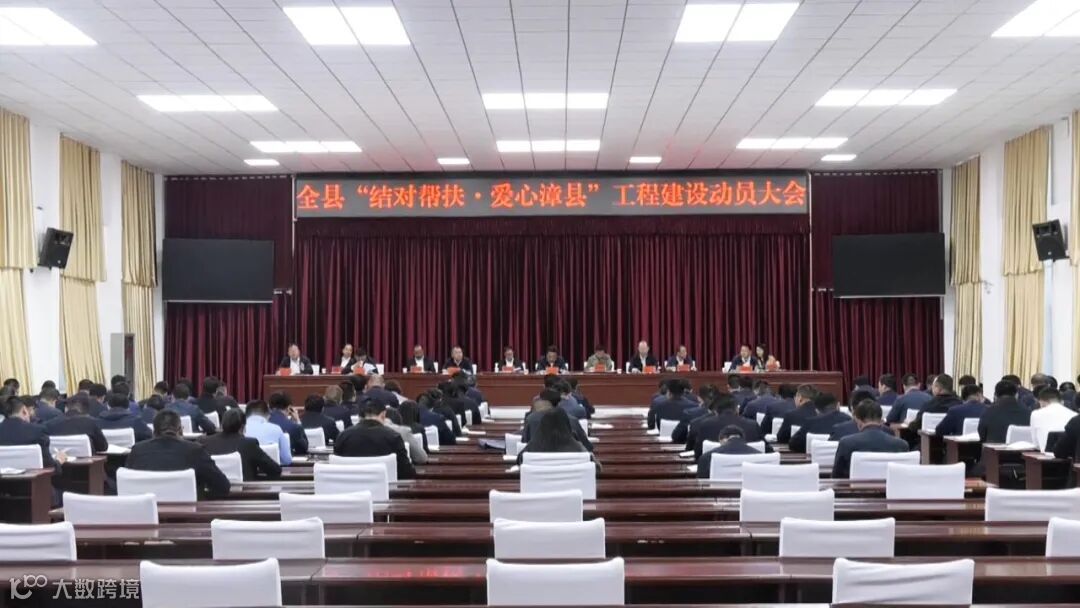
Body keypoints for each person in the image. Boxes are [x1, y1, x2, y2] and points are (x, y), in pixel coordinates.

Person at [125, 410, 230, 499]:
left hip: (146, 513)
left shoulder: (137, 451)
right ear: (180, 431)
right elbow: (223, 486)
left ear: (154, 432)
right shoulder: (195, 451)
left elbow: (126, 486)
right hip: (187, 514)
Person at [334, 402, 415, 479]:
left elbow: (336, 469)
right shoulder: (394, 437)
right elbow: (406, 472)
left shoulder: (343, 436)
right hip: (387, 488)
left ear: (360, 416)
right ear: (383, 415)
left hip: (350, 487)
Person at [832, 400, 910, 479]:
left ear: (858, 421)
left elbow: (836, 476)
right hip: (890, 486)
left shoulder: (846, 443)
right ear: (881, 421)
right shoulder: (901, 445)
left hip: (856, 486)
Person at [200, 408, 282, 481]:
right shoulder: (249, 444)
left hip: (212, 491)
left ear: (222, 424)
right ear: (243, 427)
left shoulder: (204, 441)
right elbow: (274, 470)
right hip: (245, 491)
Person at [691, 393, 762, 459]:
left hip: (715, 467)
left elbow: (698, 454)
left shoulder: (705, 425)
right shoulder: (753, 425)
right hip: (749, 466)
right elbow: (764, 450)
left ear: (715, 411)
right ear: (737, 409)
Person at [0, 396, 64, 467]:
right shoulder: (37, 431)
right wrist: (58, 461)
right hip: (35, 473)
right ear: (24, 410)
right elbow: (49, 466)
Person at [520, 391, 593, 451]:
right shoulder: (572, 420)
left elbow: (524, 442)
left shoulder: (531, 419)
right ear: (559, 402)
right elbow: (588, 447)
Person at [517, 408, 592, 464]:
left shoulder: (532, 447)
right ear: (567, 425)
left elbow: (519, 461)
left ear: (542, 426)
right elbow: (592, 464)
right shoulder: (578, 448)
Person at [43, 396, 109, 453]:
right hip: (88, 462)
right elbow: (103, 447)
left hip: (60, 462)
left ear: (66, 408)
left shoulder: (49, 424)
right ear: (86, 410)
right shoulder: (91, 423)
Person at [695, 425, 761, 479]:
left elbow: (702, 484)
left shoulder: (706, 458)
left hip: (719, 491)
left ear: (722, 439)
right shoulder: (761, 456)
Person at [243, 399, 292, 465]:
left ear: (245, 415)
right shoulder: (276, 429)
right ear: (268, 415)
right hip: (271, 470)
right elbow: (287, 459)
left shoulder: (238, 429)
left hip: (245, 470)